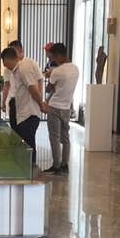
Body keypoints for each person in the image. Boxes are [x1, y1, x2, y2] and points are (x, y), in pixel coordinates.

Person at [1, 47, 43, 167]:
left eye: (4, 63)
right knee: (24, 143)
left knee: (29, 145)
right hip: (22, 113)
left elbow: (33, 88)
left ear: (8, 59)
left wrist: (41, 104)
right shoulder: (16, 71)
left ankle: (31, 169)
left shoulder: (24, 69)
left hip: (29, 114)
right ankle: (25, 167)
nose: (4, 66)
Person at [41, 43, 79, 175]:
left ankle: (56, 166)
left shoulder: (57, 71)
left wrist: (50, 74)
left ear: (58, 56)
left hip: (54, 107)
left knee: (54, 137)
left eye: (53, 57)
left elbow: (48, 89)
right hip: (67, 107)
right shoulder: (75, 69)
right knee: (66, 137)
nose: (53, 60)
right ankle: (65, 165)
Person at [2, 40, 42, 130]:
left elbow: (37, 83)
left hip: (28, 103)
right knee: (16, 129)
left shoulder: (29, 64)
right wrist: (4, 102)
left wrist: (40, 100)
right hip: (14, 100)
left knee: (25, 130)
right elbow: (7, 85)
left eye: (13, 50)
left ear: (20, 50)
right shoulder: (9, 68)